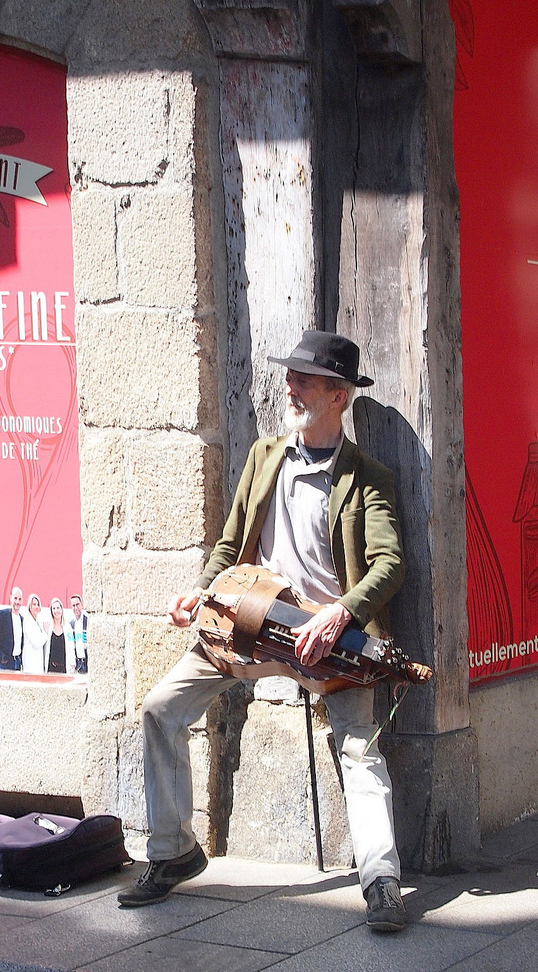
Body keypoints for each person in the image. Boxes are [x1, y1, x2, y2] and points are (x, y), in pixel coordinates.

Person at [117, 331, 408, 933]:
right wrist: (202, 591)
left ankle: (381, 881)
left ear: (339, 396)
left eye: (306, 379)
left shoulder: (367, 475)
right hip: (247, 626)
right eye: (292, 375)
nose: (292, 386)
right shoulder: (264, 455)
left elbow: (389, 563)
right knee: (160, 709)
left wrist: (341, 614)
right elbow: (229, 545)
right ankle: (174, 851)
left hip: (324, 639)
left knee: (357, 747)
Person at [0, 587, 24, 671]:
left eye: (19, 599)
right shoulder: (3, 614)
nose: (17, 602)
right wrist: (1, 657)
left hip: (17, 663)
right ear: (10, 598)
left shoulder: (22, 619)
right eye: (15, 598)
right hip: (5, 663)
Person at [21, 593, 48, 674]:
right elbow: (36, 643)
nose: (36, 607)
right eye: (34, 604)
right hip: (31, 663)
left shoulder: (38, 621)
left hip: (38, 662)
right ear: (29, 606)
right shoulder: (27, 621)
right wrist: (45, 632)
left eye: (38, 604)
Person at [46, 598, 68, 673]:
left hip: (64, 668)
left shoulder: (67, 628)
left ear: (61, 609)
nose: (56, 611)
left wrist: (72, 664)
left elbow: (71, 648)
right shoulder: (48, 627)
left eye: (58, 608)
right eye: (54, 608)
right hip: (51, 669)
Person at [68, 594, 88, 673]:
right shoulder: (71, 624)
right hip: (78, 664)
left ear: (81, 604)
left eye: (77, 604)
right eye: (73, 605)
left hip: (87, 661)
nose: (76, 608)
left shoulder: (88, 621)